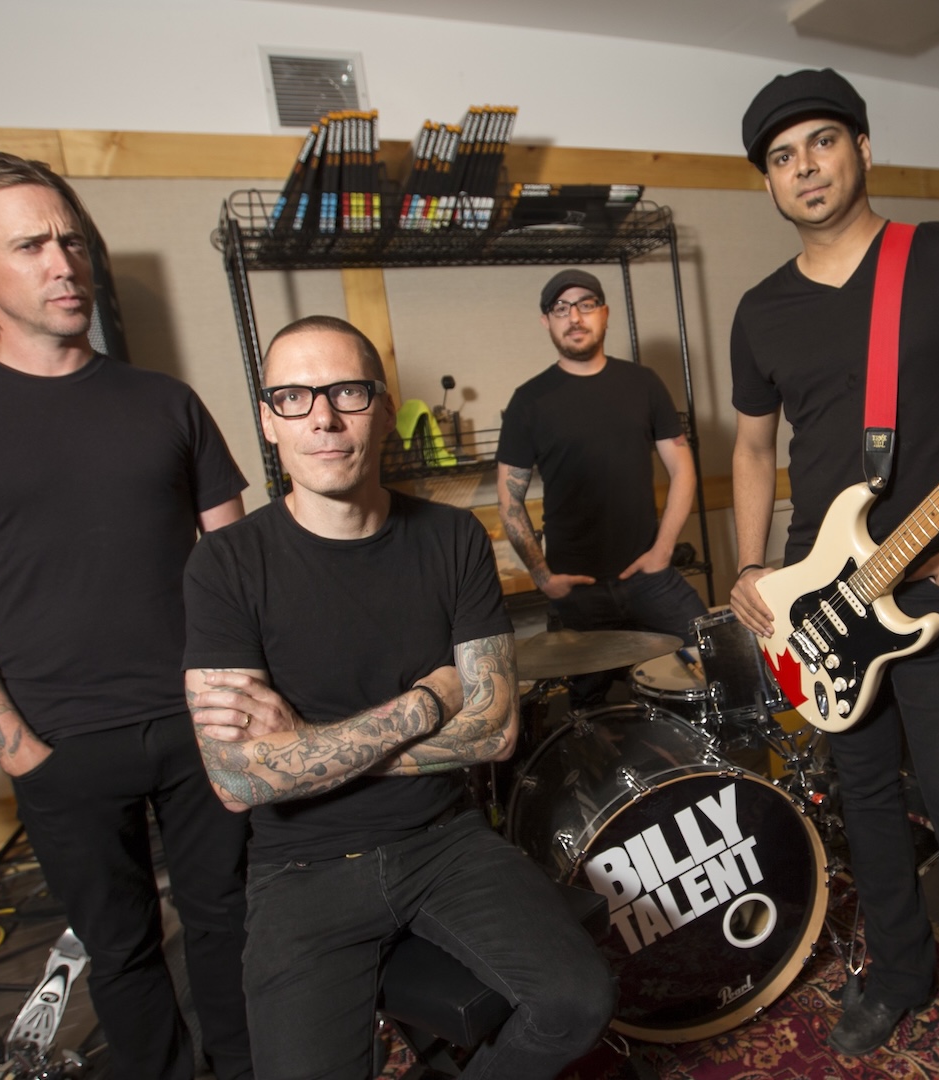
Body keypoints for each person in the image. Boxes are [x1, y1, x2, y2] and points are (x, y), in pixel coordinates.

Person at [0, 152, 253, 1080]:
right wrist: (23, 756)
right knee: (121, 954)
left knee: (232, 930)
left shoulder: (167, 402)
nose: (64, 263)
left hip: (200, 727)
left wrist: (242, 713)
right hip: (59, 742)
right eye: (31, 245)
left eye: (72, 240)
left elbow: (242, 571)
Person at [727, 69, 939, 1078]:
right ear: (769, 182)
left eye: (822, 142)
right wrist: (752, 566)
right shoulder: (760, 310)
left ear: (863, 148)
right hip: (821, 599)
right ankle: (901, 973)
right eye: (782, 157)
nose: (804, 168)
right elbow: (752, 449)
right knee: (864, 801)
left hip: (937, 593)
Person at [181, 316, 614, 1080]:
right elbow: (238, 779)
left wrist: (304, 748)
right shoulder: (224, 564)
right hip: (301, 869)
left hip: (444, 843)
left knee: (577, 1003)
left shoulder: (453, 537)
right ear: (268, 420)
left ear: (383, 409)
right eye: (293, 397)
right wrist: (425, 702)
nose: (322, 417)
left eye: (346, 392)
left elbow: (495, 732)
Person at [497, 269, 708, 705]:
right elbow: (509, 500)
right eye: (561, 308)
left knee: (713, 662)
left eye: (586, 304)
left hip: (650, 578)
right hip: (578, 591)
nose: (574, 317)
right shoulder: (528, 401)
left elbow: (683, 469)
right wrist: (543, 577)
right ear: (546, 321)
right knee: (589, 714)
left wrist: (663, 550)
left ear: (605, 313)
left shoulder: (643, 384)